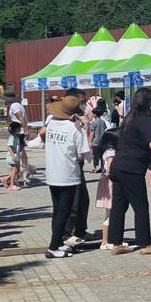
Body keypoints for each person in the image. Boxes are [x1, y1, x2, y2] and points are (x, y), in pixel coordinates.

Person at [107, 87, 151, 256]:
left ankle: (116, 243)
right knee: (140, 206)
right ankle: (145, 244)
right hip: (132, 168)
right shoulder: (144, 118)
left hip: (118, 165)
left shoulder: (129, 117)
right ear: (148, 103)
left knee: (119, 205)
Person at [42, 96, 90, 258]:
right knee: (64, 212)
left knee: (57, 210)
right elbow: (83, 154)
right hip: (68, 174)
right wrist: (85, 126)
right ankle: (53, 247)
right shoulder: (76, 129)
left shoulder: (51, 123)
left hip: (52, 172)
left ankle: (57, 243)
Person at [60, 88, 92, 247]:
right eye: (81, 101)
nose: (83, 104)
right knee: (73, 201)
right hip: (68, 165)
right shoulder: (61, 118)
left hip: (78, 164)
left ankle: (80, 230)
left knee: (83, 199)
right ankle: (67, 233)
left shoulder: (79, 116)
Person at [94, 129, 119, 250]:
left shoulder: (105, 151)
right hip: (111, 184)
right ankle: (106, 241)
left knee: (109, 214)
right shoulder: (111, 153)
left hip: (105, 182)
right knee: (111, 214)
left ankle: (107, 241)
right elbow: (110, 169)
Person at [1, 121, 23, 190]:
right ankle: (11, 185)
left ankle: (5, 179)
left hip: (16, 156)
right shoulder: (12, 137)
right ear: (16, 129)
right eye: (19, 128)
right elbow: (9, 147)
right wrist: (13, 155)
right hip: (12, 156)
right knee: (15, 170)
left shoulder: (16, 137)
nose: (20, 129)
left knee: (17, 170)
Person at [88, 107, 108, 172]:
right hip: (102, 141)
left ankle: (94, 168)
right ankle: (102, 167)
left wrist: (90, 142)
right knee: (102, 155)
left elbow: (92, 133)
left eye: (93, 113)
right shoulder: (103, 122)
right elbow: (104, 129)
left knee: (95, 156)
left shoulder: (94, 122)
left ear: (95, 114)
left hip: (95, 142)